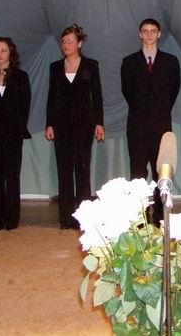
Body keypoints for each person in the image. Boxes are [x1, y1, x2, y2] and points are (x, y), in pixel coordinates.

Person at [121, 18, 180, 222]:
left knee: (160, 173)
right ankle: (140, 217)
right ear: (140, 34)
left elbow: (173, 91)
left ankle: (160, 217)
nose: (149, 35)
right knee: (138, 173)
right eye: (145, 31)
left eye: (153, 31)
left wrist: (158, 111)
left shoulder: (171, 62)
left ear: (159, 34)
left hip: (161, 126)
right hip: (137, 127)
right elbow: (128, 92)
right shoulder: (129, 62)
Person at [46, 24, 104, 229]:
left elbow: (97, 97)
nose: (66, 45)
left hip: (84, 125)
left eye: (70, 41)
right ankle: (65, 219)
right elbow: (51, 97)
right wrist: (49, 124)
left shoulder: (91, 65)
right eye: (63, 41)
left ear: (79, 43)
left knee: (82, 170)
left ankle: (83, 219)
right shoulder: (55, 67)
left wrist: (99, 123)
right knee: (64, 171)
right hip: (61, 125)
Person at [0, 37, 31, 231]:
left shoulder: (21, 76)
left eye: (3, 50)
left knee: (12, 176)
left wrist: (17, 128)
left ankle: (12, 218)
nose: (0, 54)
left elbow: (25, 106)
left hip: (13, 132)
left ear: (11, 52)